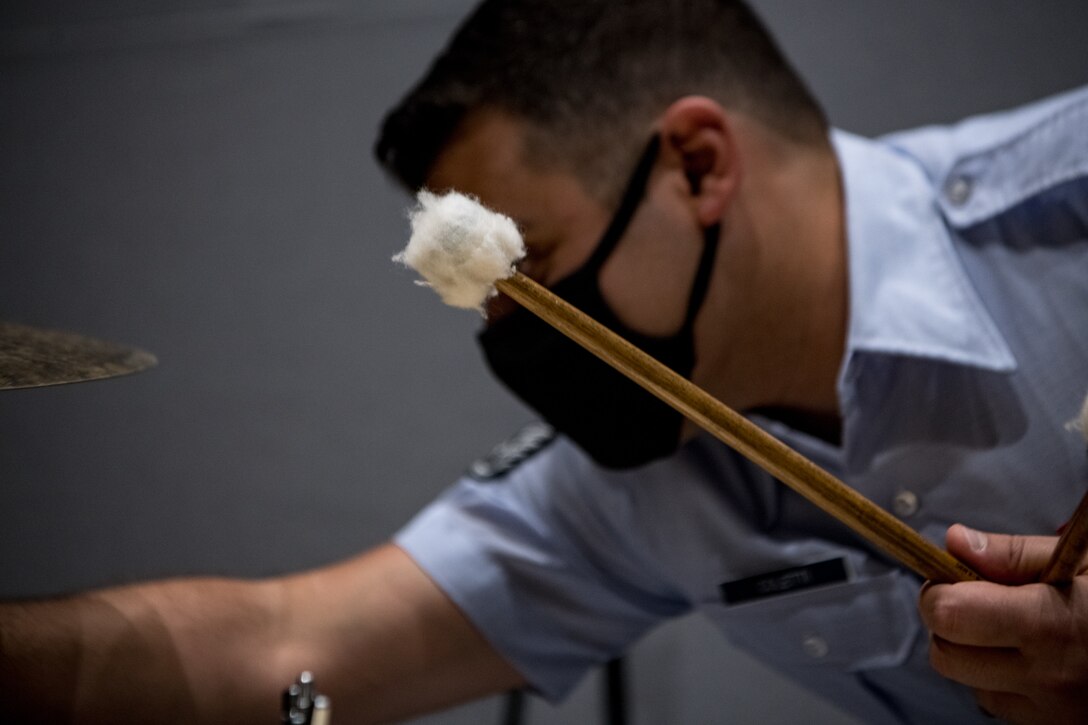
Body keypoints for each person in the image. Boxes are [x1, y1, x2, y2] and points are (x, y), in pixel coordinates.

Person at [2, 1, 1086, 722]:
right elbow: (284, 643)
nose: (507, 336)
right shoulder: (633, 484)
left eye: (531, 267)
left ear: (697, 166)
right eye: (480, 300)